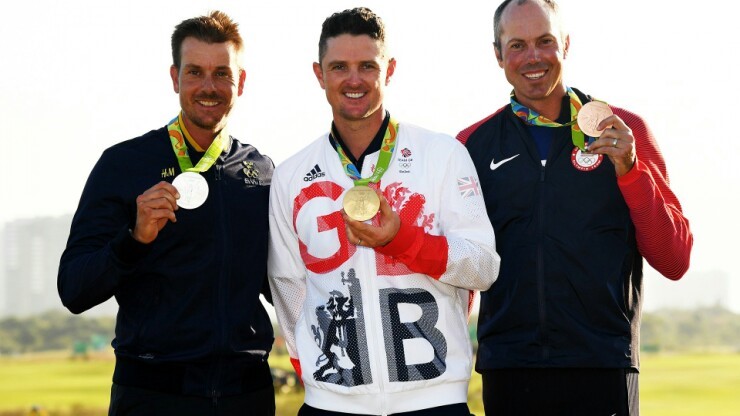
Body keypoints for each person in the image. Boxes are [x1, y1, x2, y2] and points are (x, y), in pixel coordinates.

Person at [456, 1, 694, 415]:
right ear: (498, 54)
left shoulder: (624, 130)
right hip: (509, 369)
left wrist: (631, 170)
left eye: (545, 41)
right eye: (517, 45)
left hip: (603, 366)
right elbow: (464, 268)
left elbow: (674, 259)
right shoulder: (471, 145)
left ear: (565, 44)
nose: (533, 57)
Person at [267, 7, 500, 416]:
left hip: (435, 400)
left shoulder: (442, 155)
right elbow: (288, 288)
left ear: (389, 69)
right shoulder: (290, 175)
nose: (354, 80)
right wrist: (320, 381)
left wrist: (402, 241)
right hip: (331, 405)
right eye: (339, 67)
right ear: (319, 74)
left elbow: (483, 268)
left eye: (367, 66)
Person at [57, 11, 275, 415]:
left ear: (240, 82)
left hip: (247, 395)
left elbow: (282, 284)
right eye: (194, 72)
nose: (208, 87)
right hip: (153, 395)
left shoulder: (262, 172)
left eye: (222, 74)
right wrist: (134, 239)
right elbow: (73, 289)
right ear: (175, 78)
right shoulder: (124, 164)